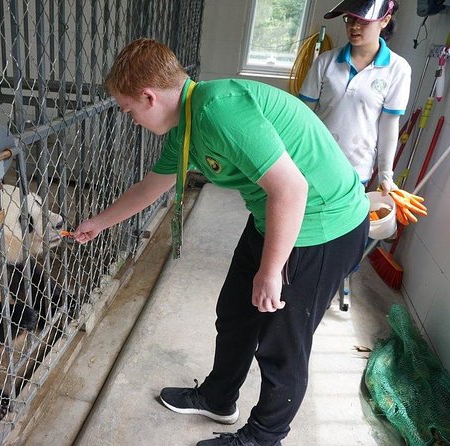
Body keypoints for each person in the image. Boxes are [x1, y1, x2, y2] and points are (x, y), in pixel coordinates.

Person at [72, 38, 369, 446]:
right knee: (235, 311)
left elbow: (292, 189)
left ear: (148, 96)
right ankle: (218, 396)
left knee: (283, 342)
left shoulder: (218, 109)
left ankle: (265, 437)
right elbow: (151, 188)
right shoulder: (189, 124)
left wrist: (270, 271)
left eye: (129, 110)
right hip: (275, 216)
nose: (132, 120)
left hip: (322, 224)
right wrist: (98, 223)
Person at [299, 0, 411, 194]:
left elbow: (389, 126)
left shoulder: (397, 69)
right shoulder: (326, 61)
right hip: (314, 161)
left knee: (340, 222)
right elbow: (301, 114)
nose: (354, 26)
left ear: (385, 21)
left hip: (356, 169)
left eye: (363, 21)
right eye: (349, 19)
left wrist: (385, 175)